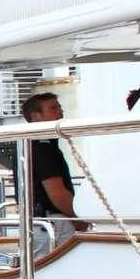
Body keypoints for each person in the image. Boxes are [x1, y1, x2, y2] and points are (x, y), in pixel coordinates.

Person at [21, 92, 86, 239]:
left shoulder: (29, 143)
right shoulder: (42, 146)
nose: (60, 113)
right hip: (53, 222)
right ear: (36, 116)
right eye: (53, 108)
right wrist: (78, 218)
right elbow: (57, 193)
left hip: (41, 221)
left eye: (59, 107)